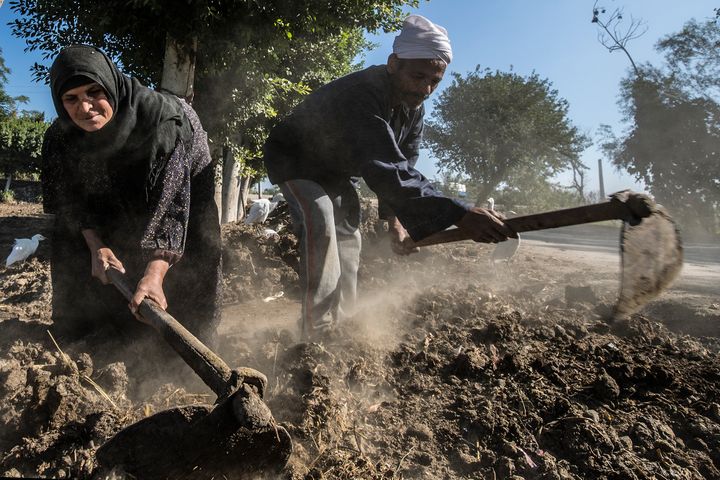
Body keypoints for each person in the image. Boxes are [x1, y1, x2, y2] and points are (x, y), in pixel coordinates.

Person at [263, 15, 513, 340]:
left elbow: (404, 161)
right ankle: (316, 335)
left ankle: (343, 326)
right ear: (394, 64)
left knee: (349, 239)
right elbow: (384, 166)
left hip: (338, 171)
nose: (425, 88)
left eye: (435, 81)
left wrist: (395, 219)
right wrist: (461, 214)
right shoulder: (363, 94)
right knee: (321, 223)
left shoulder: (414, 108)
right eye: (418, 76)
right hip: (297, 160)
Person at [42, 45, 222, 352]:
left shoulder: (163, 122)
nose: (85, 108)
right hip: (116, 186)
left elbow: (172, 206)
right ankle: (90, 337)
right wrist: (96, 246)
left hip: (182, 188)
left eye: (94, 93)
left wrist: (154, 273)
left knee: (194, 248)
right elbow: (70, 200)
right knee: (70, 235)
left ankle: (183, 348)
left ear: (110, 86)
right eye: (71, 99)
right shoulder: (62, 136)